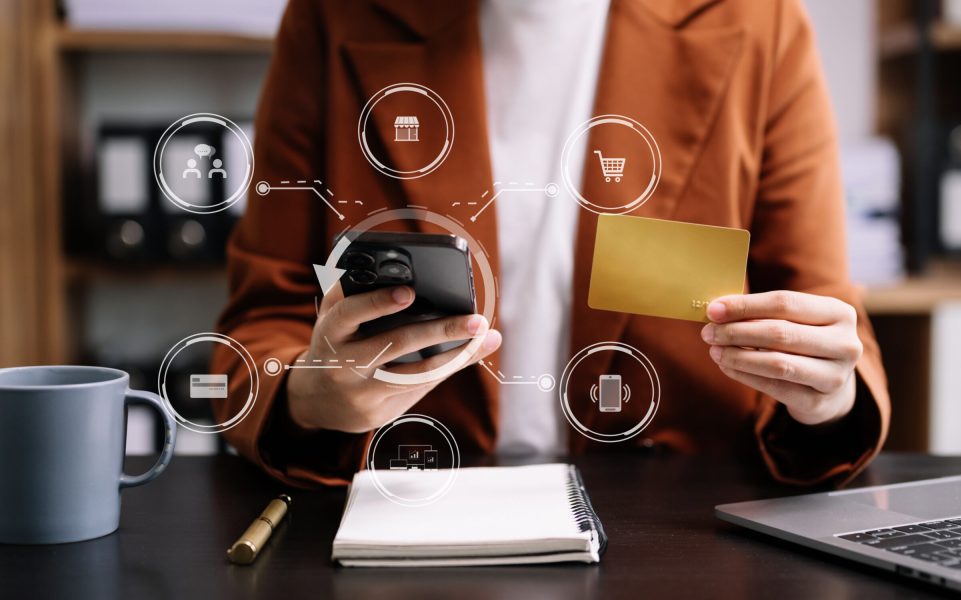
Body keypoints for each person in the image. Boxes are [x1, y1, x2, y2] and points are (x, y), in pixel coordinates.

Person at [212, 0, 890, 488]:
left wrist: (821, 395)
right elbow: (258, 330)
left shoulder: (757, 20)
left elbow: (823, 314)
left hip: (674, 522)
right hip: (409, 507)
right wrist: (308, 397)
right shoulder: (332, 18)